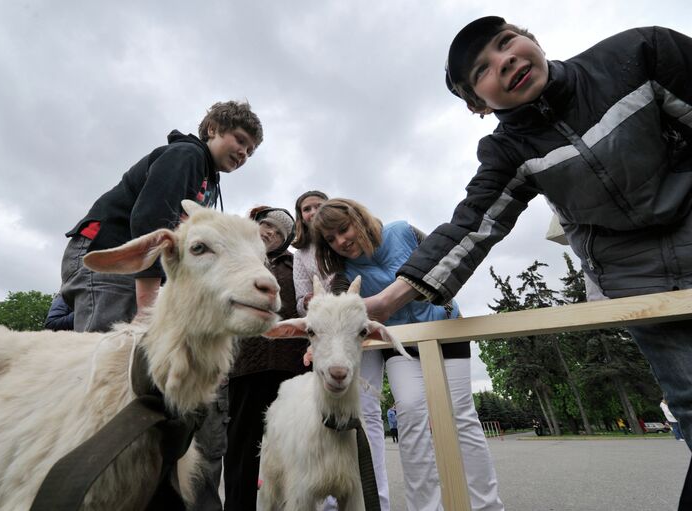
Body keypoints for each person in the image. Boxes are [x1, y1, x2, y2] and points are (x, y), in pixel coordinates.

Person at [365, 16, 692, 454]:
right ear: (477, 105)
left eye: (506, 42)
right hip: (636, 282)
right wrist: (381, 304)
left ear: (531, 39)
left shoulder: (639, 54)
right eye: (481, 70)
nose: (503, 61)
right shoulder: (507, 150)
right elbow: (472, 225)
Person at [313, 198, 503, 511]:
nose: (341, 242)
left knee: (461, 417)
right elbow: (337, 313)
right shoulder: (345, 274)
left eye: (343, 229)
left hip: (446, 330)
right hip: (401, 347)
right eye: (331, 240)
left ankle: (488, 506)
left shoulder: (402, 231)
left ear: (358, 217)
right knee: (411, 414)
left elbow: (449, 262)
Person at [59, 100, 263, 334]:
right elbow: (152, 217)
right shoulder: (187, 155)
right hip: (107, 253)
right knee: (109, 352)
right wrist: (148, 305)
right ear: (213, 129)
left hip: (138, 270)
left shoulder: (210, 184)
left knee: (137, 353)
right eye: (240, 140)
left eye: (250, 151)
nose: (243, 153)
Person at [224, 206, 310, 511]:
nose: (270, 232)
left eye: (278, 231)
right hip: (246, 364)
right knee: (241, 444)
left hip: (290, 366)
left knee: (289, 445)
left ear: (285, 240)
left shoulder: (295, 264)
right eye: (266, 225)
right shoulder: (235, 259)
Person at [291, 190, 330, 316]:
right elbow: (300, 306)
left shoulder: (345, 239)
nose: (314, 212)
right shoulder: (300, 255)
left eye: (319, 206)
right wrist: (306, 302)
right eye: (307, 209)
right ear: (301, 218)